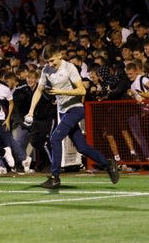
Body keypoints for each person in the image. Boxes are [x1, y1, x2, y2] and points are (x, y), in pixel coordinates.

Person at [25, 43, 119, 189]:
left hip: (75, 109)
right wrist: (31, 111)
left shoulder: (69, 68)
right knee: (81, 147)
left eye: (52, 61)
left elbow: (82, 91)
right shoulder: (46, 70)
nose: (50, 64)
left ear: (59, 55)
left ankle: (55, 177)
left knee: (55, 138)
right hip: (63, 111)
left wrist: (60, 92)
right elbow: (38, 90)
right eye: (48, 61)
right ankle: (108, 163)